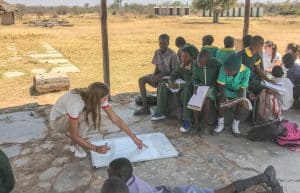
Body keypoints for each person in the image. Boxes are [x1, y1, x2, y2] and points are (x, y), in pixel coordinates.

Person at [50, 82, 144, 158]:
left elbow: (115, 118)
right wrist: (95, 148)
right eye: (104, 98)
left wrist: (133, 137)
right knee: (89, 117)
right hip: (57, 122)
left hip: (71, 116)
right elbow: (74, 135)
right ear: (96, 98)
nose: (106, 99)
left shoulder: (94, 97)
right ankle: (74, 145)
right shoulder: (76, 104)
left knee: (93, 116)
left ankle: (78, 141)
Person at [107, 158, 284, 193]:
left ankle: (264, 178)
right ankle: (263, 179)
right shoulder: (127, 183)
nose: (107, 176)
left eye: (109, 175)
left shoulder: (124, 188)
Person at [151, 44, 198, 133]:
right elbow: (174, 74)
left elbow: (192, 83)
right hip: (180, 83)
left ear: (191, 57)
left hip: (191, 87)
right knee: (163, 83)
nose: (183, 58)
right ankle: (160, 112)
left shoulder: (194, 66)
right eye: (182, 56)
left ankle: (187, 120)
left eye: (186, 56)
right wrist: (171, 81)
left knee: (186, 92)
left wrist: (178, 86)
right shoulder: (180, 63)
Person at [134, 34, 179, 115]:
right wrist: (154, 76)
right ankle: (145, 107)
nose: (162, 45)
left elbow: (174, 71)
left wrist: (159, 76)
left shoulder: (173, 55)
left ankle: (161, 108)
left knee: (160, 82)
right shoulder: (157, 52)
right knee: (141, 80)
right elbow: (157, 67)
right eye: (160, 43)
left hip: (168, 78)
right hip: (159, 75)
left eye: (164, 43)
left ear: (168, 43)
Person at [213, 54, 251, 136]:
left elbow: (242, 89)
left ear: (237, 70)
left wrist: (236, 100)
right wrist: (226, 98)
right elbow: (221, 85)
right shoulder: (224, 67)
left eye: (229, 71)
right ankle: (220, 124)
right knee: (221, 101)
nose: (226, 72)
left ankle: (235, 125)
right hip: (225, 89)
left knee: (241, 102)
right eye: (226, 70)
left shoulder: (246, 71)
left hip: (238, 91)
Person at [193, 50, 222, 133]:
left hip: (213, 88)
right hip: (200, 87)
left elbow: (221, 79)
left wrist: (212, 87)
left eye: (201, 63)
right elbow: (195, 79)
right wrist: (196, 86)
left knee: (207, 100)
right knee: (195, 99)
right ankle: (196, 124)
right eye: (198, 62)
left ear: (208, 62)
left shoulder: (217, 64)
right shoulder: (196, 64)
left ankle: (205, 125)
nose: (199, 64)